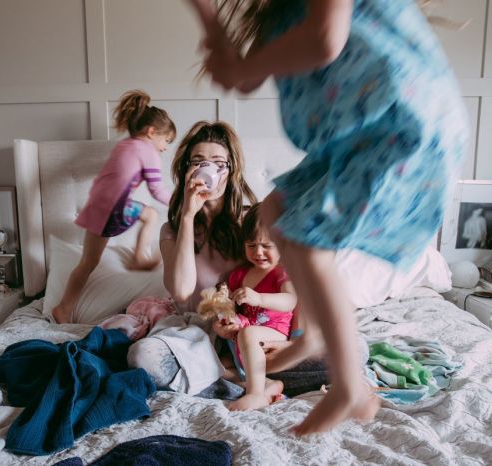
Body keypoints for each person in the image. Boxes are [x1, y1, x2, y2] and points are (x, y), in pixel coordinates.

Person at [187, 0, 470, 434]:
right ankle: (324, 346)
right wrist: (219, 36)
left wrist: (242, 66)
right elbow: (248, 77)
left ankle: (344, 378)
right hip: (360, 136)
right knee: (277, 210)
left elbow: (324, 40)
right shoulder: (283, 18)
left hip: (397, 123)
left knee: (300, 234)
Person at [126, 121, 257, 394]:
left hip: (246, 332)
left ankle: (215, 376)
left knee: (340, 349)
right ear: (187, 170)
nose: (208, 170)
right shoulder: (172, 230)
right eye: (197, 162)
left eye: (219, 162)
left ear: (231, 171)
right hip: (195, 332)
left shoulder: (249, 221)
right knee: (142, 357)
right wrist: (187, 215)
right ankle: (230, 376)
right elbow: (181, 290)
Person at [52, 90, 176, 324]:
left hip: (96, 207)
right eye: (166, 140)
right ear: (151, 132)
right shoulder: (147, 150)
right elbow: (157, 191)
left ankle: (64, 307)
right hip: (114, 208)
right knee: (150, 214)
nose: (166, 147)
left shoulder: (124, 145)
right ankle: (139, 257)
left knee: (87, 263)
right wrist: (182, 204)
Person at [222, 203, 298, 411]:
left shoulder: (282, 272)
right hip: (244, 338)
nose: (259, 252)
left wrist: (260, 299)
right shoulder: (238, 275)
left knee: (248, 334)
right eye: (251, 245)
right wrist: (223, 322)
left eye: (267, 246)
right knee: (218, 366)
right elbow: (229, 307)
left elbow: (290, 300)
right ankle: (268, 385)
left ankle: (255, 394)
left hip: (274, 332)